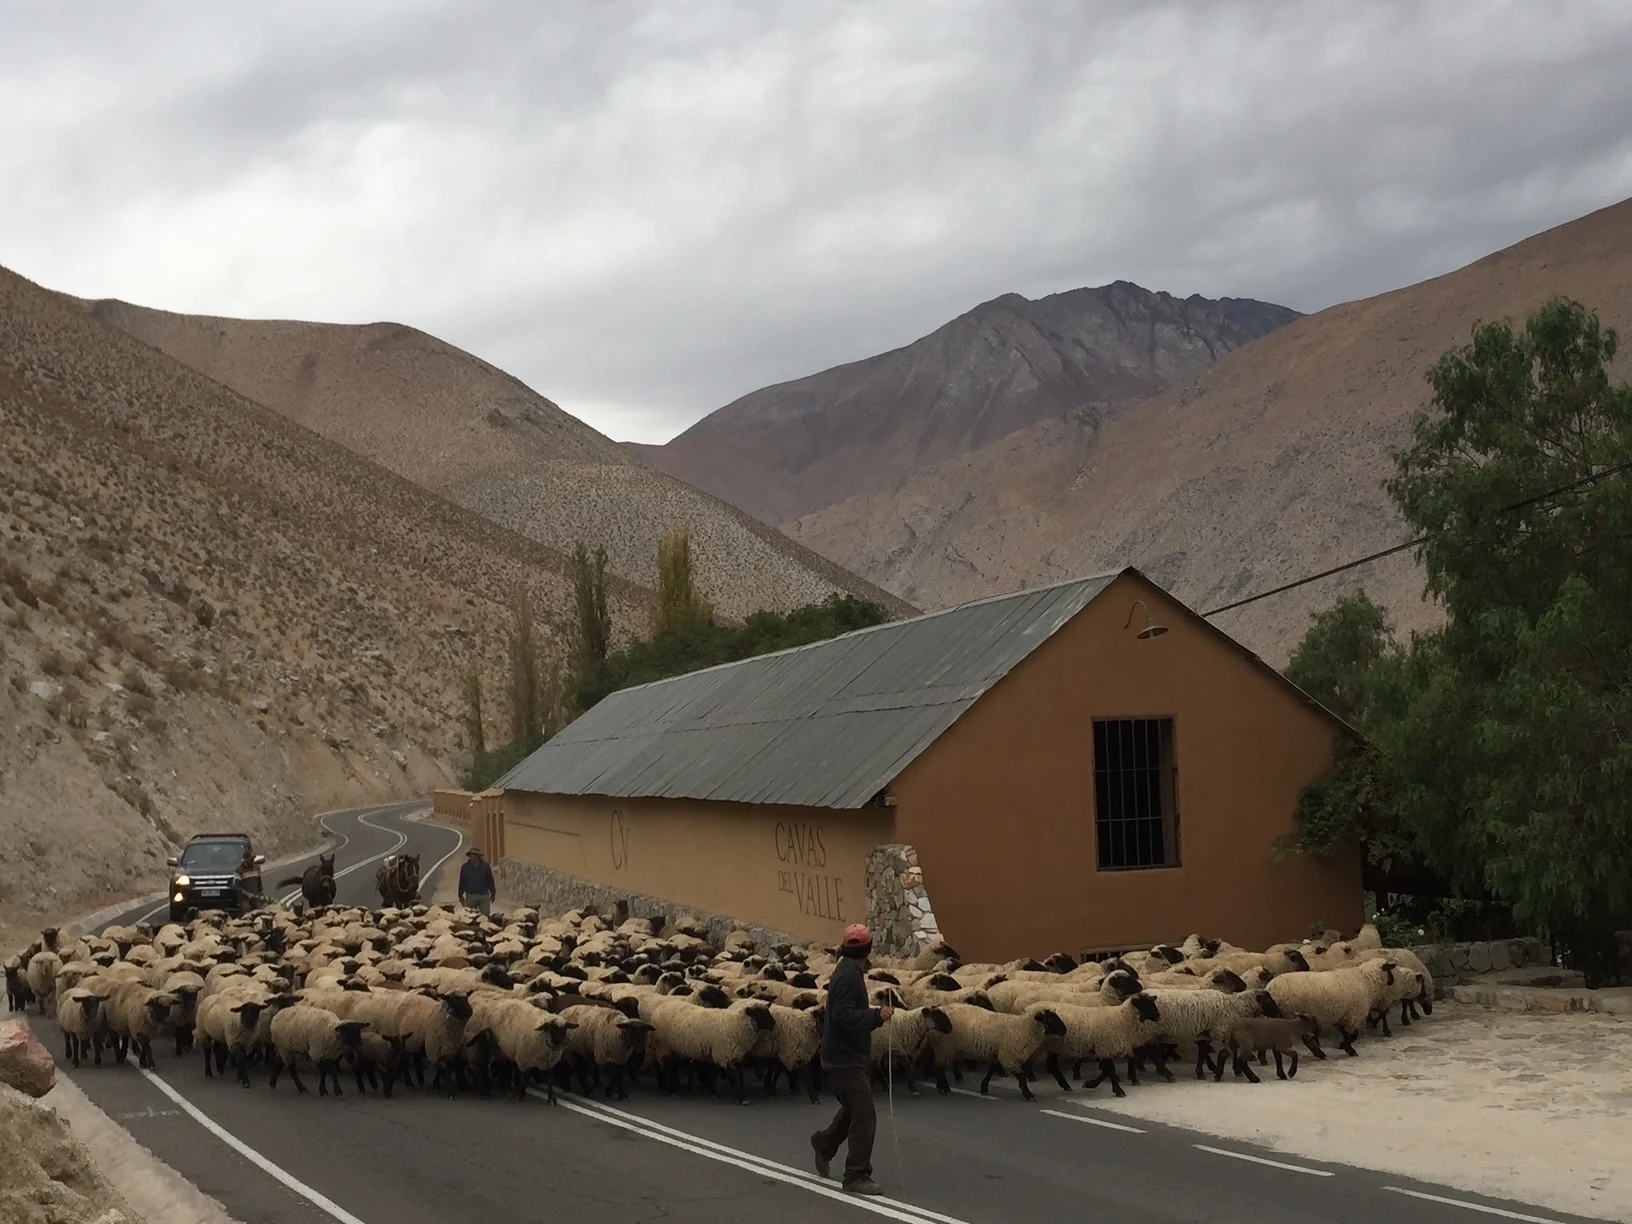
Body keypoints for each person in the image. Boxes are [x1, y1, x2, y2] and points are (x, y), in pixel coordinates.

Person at [811, 922, 893, 1196]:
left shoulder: (849, 971)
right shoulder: (847, 976)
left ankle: (824, 1144)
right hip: (844, 1059)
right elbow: (843, 1017)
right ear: (868, 949)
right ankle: (856, 1174)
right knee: (865, 1115)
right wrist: (875, 1016)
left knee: (852, 1110)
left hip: (846, 1056)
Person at [457, 846, 496, 915]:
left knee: (485, 916)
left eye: (475, 854)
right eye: (471, 854)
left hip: (483, 895)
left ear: (479, 856)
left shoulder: (486, 866)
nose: (473, 856)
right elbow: (462, 882)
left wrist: (493, 893)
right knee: (470, 917)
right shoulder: (465, 867)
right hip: (470, 896)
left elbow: (490, 880)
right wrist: (460, 895)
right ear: (469, 856)